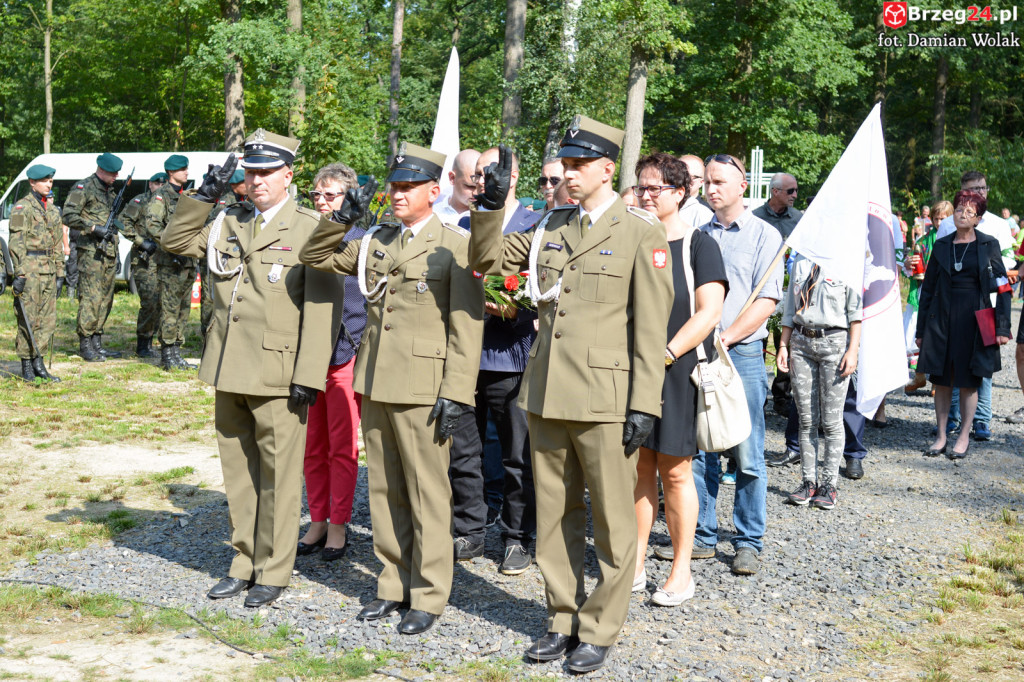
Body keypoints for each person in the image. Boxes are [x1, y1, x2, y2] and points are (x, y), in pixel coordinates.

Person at [468, 116, 673, 673]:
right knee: (555, 515)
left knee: (610, 519)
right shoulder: (549, 227)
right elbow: (485, 261)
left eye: (582, 165)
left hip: (607, 398)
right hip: (548, 391)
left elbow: (651, 330)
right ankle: (562, 617)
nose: (570, 174)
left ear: (609, 169)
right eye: (568, 165)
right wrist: (488, 206)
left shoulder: (640, 232)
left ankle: (601, 626)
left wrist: (644, 403)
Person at [299, 142, 484, 636]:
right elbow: (315, 255)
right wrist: (341, 219)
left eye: (407, 187)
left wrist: (457, 392)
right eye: (393, 186)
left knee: (427, 493)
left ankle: (428, 593)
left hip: (427, 387)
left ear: (434, 189)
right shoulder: (378, 239)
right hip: (376, 380)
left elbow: (466, 325)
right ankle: (392, 583)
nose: (397, 194)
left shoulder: (454, 242)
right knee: (384, 492)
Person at [162, 130, 341, 608]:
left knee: (279, 476)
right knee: (239, 473)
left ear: (288, 175)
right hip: (228, 365)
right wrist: (202, 196)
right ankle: (244, 562)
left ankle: (275, 568)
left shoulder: (309, 227)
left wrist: (308, 374)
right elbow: (175, 239)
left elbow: (323, 308)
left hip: (279, 373)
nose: (257, 181)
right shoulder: (226, 221)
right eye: (251, 172)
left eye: (266, 172)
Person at [630, 153, 726, 607]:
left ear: (680, 192)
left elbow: (709, 312)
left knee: (674, 469)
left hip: (676, 369)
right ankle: (633, 562)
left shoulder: (698, 245)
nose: (645, 195)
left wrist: (667, 353)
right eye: (640, 187)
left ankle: (681, 568)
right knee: (637, 467)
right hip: (630, 367)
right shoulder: (629, 239)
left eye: (655, 188)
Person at [448, 146, 539, 574]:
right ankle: (469, 528)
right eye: (480, 174)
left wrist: (511, 305)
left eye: (493, 173)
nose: (484, 180)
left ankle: (519, 536)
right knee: (463, 450)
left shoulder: (533, 224)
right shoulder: (467, 222)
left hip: (511, 352)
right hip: (466, 353)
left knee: (516, 453)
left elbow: (538, 290)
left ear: (514, 176)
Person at [695, 154, 784, 576]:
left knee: (747, 453)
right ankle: (702, 534)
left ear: (742, 185)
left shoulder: (765, 236)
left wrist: (727, 337)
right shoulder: (698, 234)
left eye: (720, 182)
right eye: (708, 182)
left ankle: (748, 540)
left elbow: (767, 301)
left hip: (742, 354)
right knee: (699, 448)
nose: (711, 189)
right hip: (699, 354)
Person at [295, 163, 367, 562]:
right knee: (311, 445)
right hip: (310, 355)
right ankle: (317, 518)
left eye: (331, 195)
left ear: (349, 199)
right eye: (317, 195)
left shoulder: (363, 239)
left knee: (342, 446)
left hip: (346, 353)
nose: (321, 202)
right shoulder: (308, 237)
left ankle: (338, 523)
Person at [917, 190, 1011, 460]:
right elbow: (929, 288)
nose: (962, 214)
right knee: (942, 378)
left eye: (970, 211)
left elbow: (1003, 286)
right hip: (942, 316)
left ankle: (964, 435)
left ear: (978, 219)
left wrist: (1002, 327)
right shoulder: (942, 244)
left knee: (969, 381)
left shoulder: (988, 244)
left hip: (975, 318)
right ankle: (942, 435)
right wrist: (921, 330)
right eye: (960, 209)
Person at [777, 256, 862, 510]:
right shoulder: (800, 264)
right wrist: (783, 344)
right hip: (802, 343)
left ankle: (829, 485)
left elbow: (856, 313)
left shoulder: (846, 262)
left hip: (833, 343)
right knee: (806, 419)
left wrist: (853, 350)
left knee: (832, 420)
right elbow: (790, 311)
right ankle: (808, 482)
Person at [936, 171, 1013, 441]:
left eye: (982, 187)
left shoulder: (998, 227)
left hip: (986, 305)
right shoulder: (947, 226)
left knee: (981, 368)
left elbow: (1007, 271)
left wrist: (1003, 323)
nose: (978, 192)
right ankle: (951, 420)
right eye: (972, 188)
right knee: (951, 367)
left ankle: (981, 420)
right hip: (951, 308)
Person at [62, 152, 124, 362]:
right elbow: (68, 215)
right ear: (102, 170)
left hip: (108, 252)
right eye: (113, 173)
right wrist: (93, 228)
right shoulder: (84, 188)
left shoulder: (111, 193)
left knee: (106, 298)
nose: (116, 176)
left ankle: (97, 341)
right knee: (90, 297)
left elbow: (114, 225)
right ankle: (85, 343)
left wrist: (117, 252)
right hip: (90, 252)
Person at [9, 164, 64, 382]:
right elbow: (16, 242)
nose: (48, 184)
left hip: (49, 269)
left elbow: (58, 244)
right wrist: (20, 274)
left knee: (48, 320)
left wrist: (60, 273)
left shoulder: (52, 210)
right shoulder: (22, 208)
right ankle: (26, 365)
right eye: (44, 181)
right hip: (30, 268)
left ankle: (38, 362)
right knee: (28, 318)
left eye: (50, 181)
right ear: (33, 182)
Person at [147, 155, 196, 371]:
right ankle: (167, 354)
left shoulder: (186, 196)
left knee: (184, 308)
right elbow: (153, 226)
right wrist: (171, 247)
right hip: (170, 262)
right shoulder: (161, 197)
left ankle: (176, 350)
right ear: (171, 173)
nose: (186, 172)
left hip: (188, 261)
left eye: (186, 169)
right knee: (169, 307)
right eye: (182, 169)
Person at [119, 173, 167, 357]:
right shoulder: (139, 201)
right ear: (150, 184)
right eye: (156, 183)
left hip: (164, 258)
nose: (160, 186)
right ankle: (143, 343)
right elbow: (123, 223)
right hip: (144, 258)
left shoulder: (169, 202)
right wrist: (140, 241)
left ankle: (152, 341)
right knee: (149, 302)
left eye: (163, 183)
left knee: (162, 302)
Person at [904, 200, 948, 394]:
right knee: (920, 333)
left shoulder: (956, 240)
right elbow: (912, 270)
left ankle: (938, 381)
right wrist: (908, 263)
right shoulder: (923, 242)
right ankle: (920, 375)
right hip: (925, 292)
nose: (939, 222)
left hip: (946, 294)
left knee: (940, 336)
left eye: (943, 218)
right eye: (937, 218)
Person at [201, 168, 247, 342]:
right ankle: (207, 336)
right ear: (236, 185)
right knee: (210, 299)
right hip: (216, 258)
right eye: (245, 183)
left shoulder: (242, 200)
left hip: (231, 259)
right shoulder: (224, 203)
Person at [433, 149, 480, 222]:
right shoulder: (432, 215)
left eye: (481, 186)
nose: (476, 193)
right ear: (452, 178)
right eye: (470, 186)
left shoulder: (491, 216)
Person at [752, 173, 803, 240]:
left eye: (796, 191)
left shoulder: (799, 218)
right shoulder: (755, 219)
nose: (795, 195)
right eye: (790, 191)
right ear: (775, 191)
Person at [677, 155, 714, 228]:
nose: (684, 180)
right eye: (679, 175)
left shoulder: (705, 213)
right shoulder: (663, 205)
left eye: (690, 177)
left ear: (701, 182)